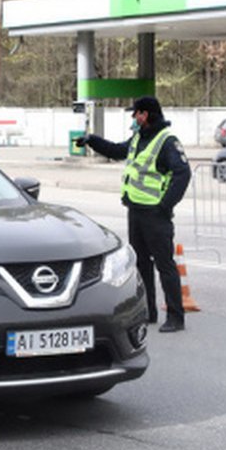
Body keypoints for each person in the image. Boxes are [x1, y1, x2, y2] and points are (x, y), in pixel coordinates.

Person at [74, 95, 191, 332]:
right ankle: (148, 312)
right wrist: (91, 140)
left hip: (155, 214)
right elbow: (117, 150)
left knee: (164, 265)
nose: (133, 118)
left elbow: (183, 174)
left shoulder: (166, 141)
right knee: (141, 266)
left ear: (145, 115)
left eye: (135, 113)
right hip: (136, 211)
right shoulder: (140, 137)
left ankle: (176, 317)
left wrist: (165, 205)